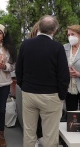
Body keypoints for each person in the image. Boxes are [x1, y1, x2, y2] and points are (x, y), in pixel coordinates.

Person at [15, 15, 70, 147]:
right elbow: (63, 75)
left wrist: (24, 87)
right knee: (50, 135)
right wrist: (61, 96)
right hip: (51, 96)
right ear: (54, 30)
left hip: (29, 94)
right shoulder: (57, 47)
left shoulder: (26, 44)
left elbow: (18, 70)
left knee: (29, 133)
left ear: (38, 27)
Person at [64, 25, 80, 111]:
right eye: (68, 35)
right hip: (69, 88)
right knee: (71, 116)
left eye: (73, 34)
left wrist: (78, 74)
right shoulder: (64, 48)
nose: (70, 37)